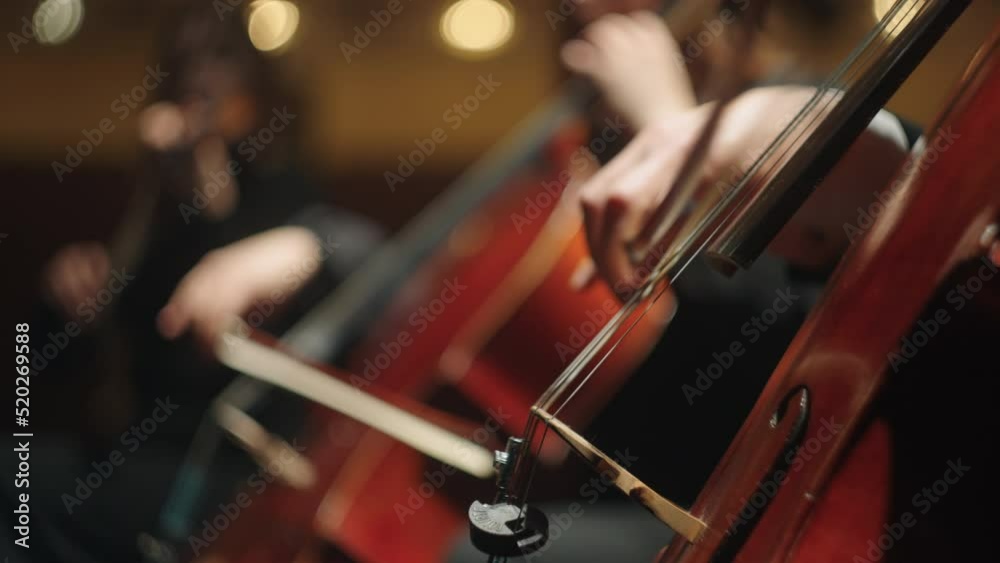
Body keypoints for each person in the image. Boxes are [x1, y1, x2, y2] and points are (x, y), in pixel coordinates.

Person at [451, 2, 918, 561]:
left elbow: (770, 298)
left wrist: (670, 121)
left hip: (729, 503)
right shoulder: (590, 151)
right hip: (598, 486)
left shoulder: (803, 111)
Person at [3, 4, 380, 562]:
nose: (200, 75)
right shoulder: (151, 202)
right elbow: (38, 370)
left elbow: (349, 261)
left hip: (237, 469)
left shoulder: (283, 188)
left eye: (221, 57)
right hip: (138, 452)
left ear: (256, 80)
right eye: (186, 59)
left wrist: (219, 207)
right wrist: (60, 301)